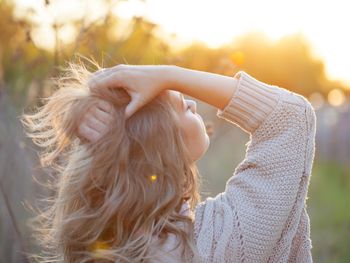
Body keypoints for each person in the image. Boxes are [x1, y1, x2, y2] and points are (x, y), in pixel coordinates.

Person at [22, 63, 316, 263]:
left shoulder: (106, 243)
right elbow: (290, 116)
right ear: (160, 146)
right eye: (180, 105)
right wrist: (169, 75)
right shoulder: (215, 242)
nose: (192, 103)